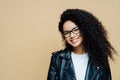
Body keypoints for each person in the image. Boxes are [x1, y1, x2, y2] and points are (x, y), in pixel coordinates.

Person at [47, 9, 116, 80]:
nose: (72, 35)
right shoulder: (58, 59)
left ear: (85, 29)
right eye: (67, 33)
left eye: (75, 30)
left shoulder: (100, 58)